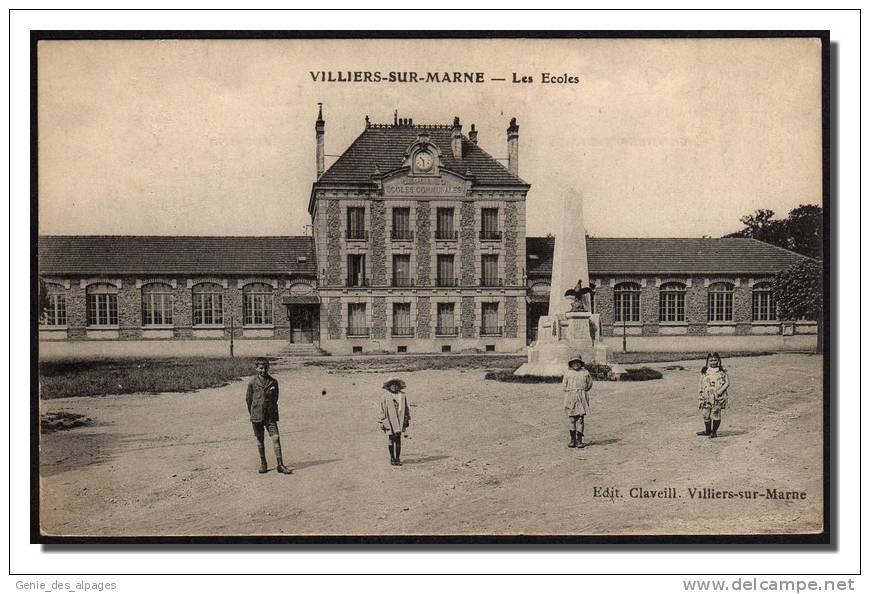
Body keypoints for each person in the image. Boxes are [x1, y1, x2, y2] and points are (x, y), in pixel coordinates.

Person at [246, 358, 292, 474]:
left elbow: (275, 398)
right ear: (256, 368)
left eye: (265, 367)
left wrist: (269, 408)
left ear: (268, 367)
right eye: (261, 368)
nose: (263, 370)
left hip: (270, 416)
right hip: (257, 415)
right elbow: (249, 400)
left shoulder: (273, 382)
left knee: (276, 437)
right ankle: (263, 463)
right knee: (260, 439)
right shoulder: (252, 383)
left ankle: (280, 464)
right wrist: (253, 412)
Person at [562, 356, 594, 448]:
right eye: (574, 362)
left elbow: (589, 383)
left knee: (580, 419)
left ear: (581, 363)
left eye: (578, 362)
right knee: (572, 419)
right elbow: (564, 385)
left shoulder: (585, 372)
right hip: (571, 396)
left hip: (582, 396)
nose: (576, 364)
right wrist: (571, 391)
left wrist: (583, 391)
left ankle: (579, 440)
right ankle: (572, 440)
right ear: (571, 364)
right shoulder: (568, 373)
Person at [697, 352, 730, 439]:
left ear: (718, 360)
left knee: (716, 413)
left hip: (717, 396)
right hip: (706, 396)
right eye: (711, 360)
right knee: (705, 414)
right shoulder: (705, 370)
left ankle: (714, 432)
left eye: (715, 360)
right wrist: (700, 392)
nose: (713, 362)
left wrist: (721, 391)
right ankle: (708, 430)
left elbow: (727, 382)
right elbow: (700, 382)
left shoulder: (722, 371)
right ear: (708, 361)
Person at [378, 378, 410, 466]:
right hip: (389, 420)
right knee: (391, 438)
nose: (394, 387)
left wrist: (407, 418)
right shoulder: (385, 396)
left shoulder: (402, 396)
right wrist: (381, 421)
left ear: (399, 386)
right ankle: (392, 458)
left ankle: (398, 458)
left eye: (396, 385)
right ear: (389, 387)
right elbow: (382, 409)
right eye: (392, 385)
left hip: (400, 419)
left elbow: (406, 408)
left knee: (398, 439)